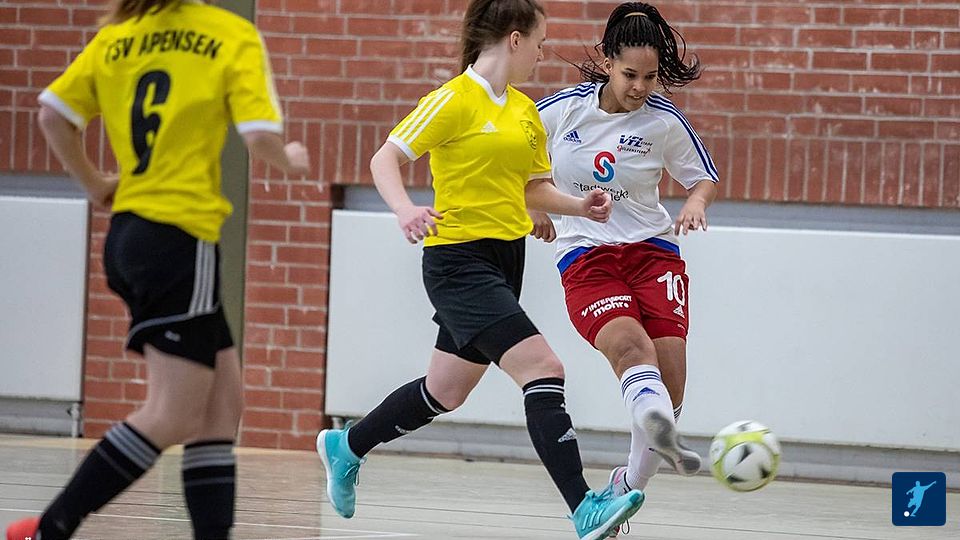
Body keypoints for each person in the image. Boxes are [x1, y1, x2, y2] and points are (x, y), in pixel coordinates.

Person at [315, 1, 644, 538]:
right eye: (539, 43)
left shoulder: (524, 110)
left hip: (505, 258)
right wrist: (404, 209)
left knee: (445, 390)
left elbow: (532, 188)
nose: (542, 54)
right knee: (543, 368)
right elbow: (385, 158)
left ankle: (346, 445)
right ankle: (583, 506)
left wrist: (579, 206)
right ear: (514, 40)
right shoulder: (453, 99)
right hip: (458, 263)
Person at [6, 1, 309, 539]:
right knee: (172, 412)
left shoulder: (116, 37)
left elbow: (52, 115)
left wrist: (96, 184)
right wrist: (290, 158)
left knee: (222, 405)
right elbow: (260, 138)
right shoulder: (228, 33)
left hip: (131, 233)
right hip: (179, 238)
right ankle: (51, 528)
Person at [535, 0, 718, 510]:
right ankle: (652, 451)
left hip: (653, 253)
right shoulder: (561, 111)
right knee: (633, 351)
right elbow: (511, 164)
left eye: (651, 77)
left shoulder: (664, 122)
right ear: (608, 61)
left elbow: (702, 177)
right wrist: (534, 206)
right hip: (586, 255)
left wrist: (696, 203)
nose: (640, 87)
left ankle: (624, 488)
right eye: (630, 75)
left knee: (670, 388)